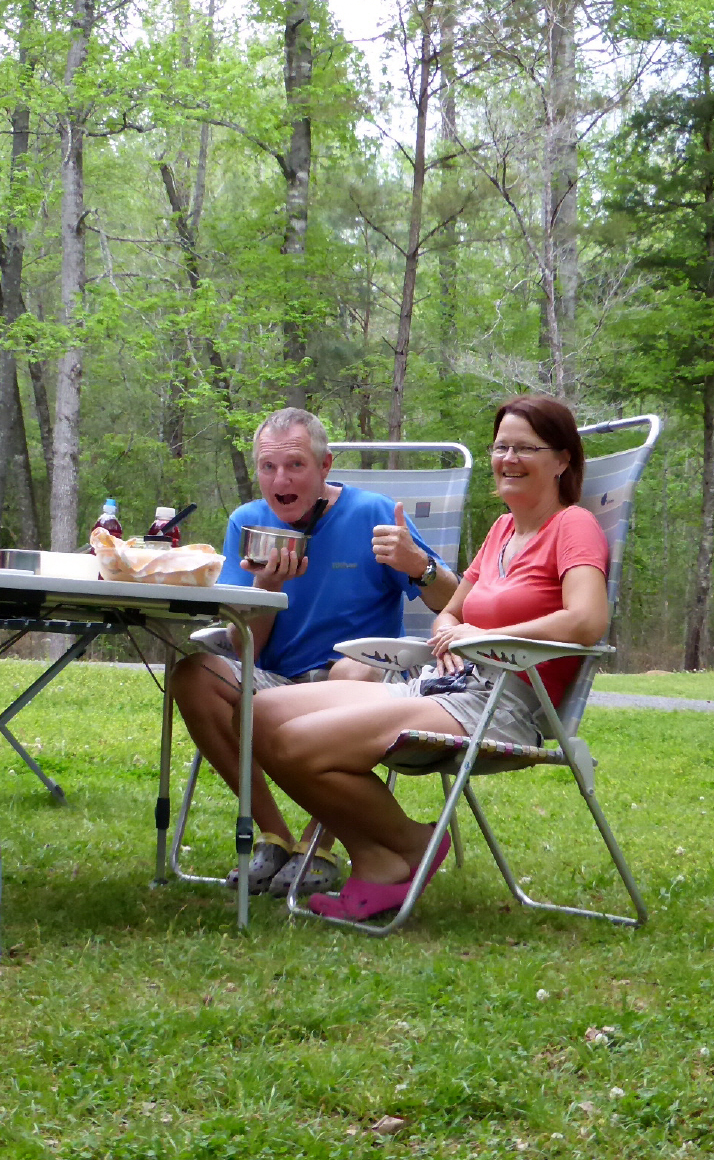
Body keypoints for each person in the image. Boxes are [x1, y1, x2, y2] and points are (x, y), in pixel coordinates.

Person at [250, 395, 609, 923]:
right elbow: (450, 612)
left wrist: (481, 636)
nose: (508, 459)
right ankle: (380, 855)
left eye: (525, 448)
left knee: (299, 741)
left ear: (562, 460)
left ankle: (409, 847)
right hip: (445, 683)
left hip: (503, 702)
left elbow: (586, 619)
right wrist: (448, 634)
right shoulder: (502, 531)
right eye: (501, 447)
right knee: (260, 714)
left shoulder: (573, 526)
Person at [170, 407, 459, 895]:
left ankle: (318, 843)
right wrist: (265, 589)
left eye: (295, 465)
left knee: (353, 670)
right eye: (268, 467)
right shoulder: (248, 523)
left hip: (356, 680)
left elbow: (454, 601)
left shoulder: (371, 514)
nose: (280, 480)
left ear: (325, 466)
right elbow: (245, 648)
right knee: (192, 675)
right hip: (276, 682)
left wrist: (418, 566)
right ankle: (274, 837)